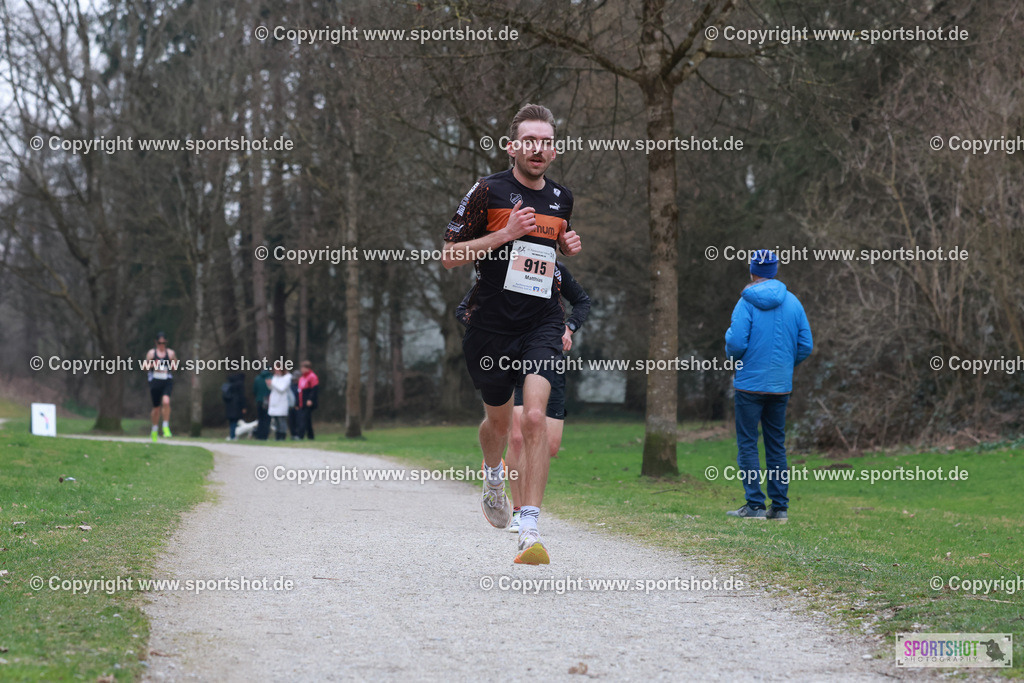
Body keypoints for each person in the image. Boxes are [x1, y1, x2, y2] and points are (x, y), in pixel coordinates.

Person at [442, 103, 582, 564]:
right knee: (500, 425)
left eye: (546, 142)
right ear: (512, 147)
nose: (537, 149)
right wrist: (503, 234)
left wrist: (564, 244)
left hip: (542, 321)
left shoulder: (562, 198)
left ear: (554, 150)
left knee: (535, 417)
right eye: (529, 141)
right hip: (490, 326)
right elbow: (449, 255)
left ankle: (530, 527)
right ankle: (492, 474)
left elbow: (549, 248)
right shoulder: (488, 191)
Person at [456, 261, 592, 533]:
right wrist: (490, 327)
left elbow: (582, 301)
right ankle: (520, 511)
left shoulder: (554, 269)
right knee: (516, 436)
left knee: (548, 444)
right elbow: (463, 309)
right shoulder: (504, 269)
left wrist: (569, 328)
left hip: (543, 355)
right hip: (508, 356)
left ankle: (512, 488)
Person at [724, 250, 813, 522]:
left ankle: (755, 506)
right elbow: (805, 345)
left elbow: (736, 343)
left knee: (748, 443)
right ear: (775, 271)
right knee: (776, 444)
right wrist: (784, 365)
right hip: (780, 385)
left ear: (752, 271)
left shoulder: (745, 303)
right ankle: (780, 507)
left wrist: (734, 359)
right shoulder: (794, 303)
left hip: (749, 385)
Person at [144, 332, 177, 442]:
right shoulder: (151, 353)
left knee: (166, 402)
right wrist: (154, 364)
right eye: (159, 343)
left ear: (166, 343)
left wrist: (171, 365)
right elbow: (144, 367)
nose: (161, 345)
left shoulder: (171, 353)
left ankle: (165, 427)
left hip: (166, 380)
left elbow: (175, 366)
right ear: (156, 342)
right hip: (155, 381)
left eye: (163, 343)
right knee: (156, 408)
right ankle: (154, 429)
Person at [268, 362, 293, 441]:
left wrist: (272, 383)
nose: (276, 371)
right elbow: (272, 388)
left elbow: (281, 389)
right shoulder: (275, 377)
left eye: (277, 369)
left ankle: (282, 436)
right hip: (274, 401)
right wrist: (269, 384)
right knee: (276, 420)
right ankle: (277, 436)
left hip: (282, 402)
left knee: (281, 420)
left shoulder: (287, 377)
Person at [295, 360, 319, 440]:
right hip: (301, 402)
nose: (301, 370)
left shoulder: (312, 377)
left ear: (307, 368)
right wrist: (297, 403)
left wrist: (310, 399)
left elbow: (314, 389)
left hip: (308, 401)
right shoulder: (302, 378)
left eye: (302, 368)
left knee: (303, 419)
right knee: (307, 420)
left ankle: (300, 435)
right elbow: (299, 391)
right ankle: (310, 436)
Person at [222, 372, 247, 440]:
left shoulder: (228, 385)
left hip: (229, 406)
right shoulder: (240, 385)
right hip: (237, 406)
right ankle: (233, 436)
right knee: (235, 422)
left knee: (232, 422)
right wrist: (244, 407)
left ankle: (232, 435)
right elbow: (242, 397)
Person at [254, 366, 273, 440]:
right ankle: (265, 435)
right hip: (268, 401)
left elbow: (254, 390)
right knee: (267, 419)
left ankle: (259, 435)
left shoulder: (257, 378)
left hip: (259, 400)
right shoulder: (271, 378)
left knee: (260, 419)